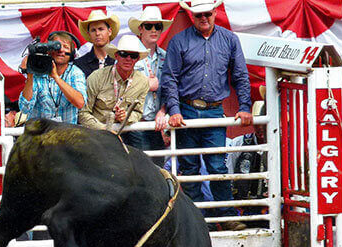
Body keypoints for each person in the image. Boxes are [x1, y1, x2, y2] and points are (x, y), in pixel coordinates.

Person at [160, 0, 252, 231]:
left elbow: (240, 74)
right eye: (199, 14)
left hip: (213, 109)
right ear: (192, 16)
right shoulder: (179, 41)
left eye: (207, 14)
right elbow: (169, 77)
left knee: (217, 166)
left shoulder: (229, 40)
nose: (204, 18)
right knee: (189, 166)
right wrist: (175, 110)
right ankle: (198, 217)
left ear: (215, 13)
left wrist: (245, 106)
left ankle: (225, 215)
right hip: (187, 108)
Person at [122, 6, 173, 166]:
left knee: (158, 166)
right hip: (136, 121)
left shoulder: (166, 56)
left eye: (157, 26)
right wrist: (145, 85)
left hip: (157, 122)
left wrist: (164, 111)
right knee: (142, 167)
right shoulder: (129, 54)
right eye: (149, 26)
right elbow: (120, 85)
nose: (153, 30)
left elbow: (171, 89)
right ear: (140, 29)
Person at [78, 35, 149, 132]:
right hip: (96, 132)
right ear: (116, 56)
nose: (128, 59)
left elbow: (138, 112)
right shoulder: (96, 77)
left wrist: (126, 117)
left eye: (133, 56)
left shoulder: (142, 81)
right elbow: (82, 113)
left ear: (137, 59)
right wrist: (105, 130)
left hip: (126, 131)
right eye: (124, 54)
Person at [18, 31, 87, 124]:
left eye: (66, 47)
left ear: (72, 53)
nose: (61, 50)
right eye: (57, 46)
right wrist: (30, 74)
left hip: (66, 134)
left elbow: (80, 103)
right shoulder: (38, 72)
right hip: (40, 134)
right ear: (49, 51)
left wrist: (56, 77)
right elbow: (25, 108)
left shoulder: (75, 73)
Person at [225, 100, 268, 228]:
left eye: (263, 124)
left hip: (271, 206)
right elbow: (229, 171)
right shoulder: (240, 142)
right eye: (257, 124)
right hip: (244, 206)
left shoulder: (281, 145)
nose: (260, 128)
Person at [74, 10, 120, 78]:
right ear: (89, 34)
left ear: (109, 31)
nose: (97, 33)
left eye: (101, 29)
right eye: (93, 30)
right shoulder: (79, 64)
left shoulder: (120, 60)